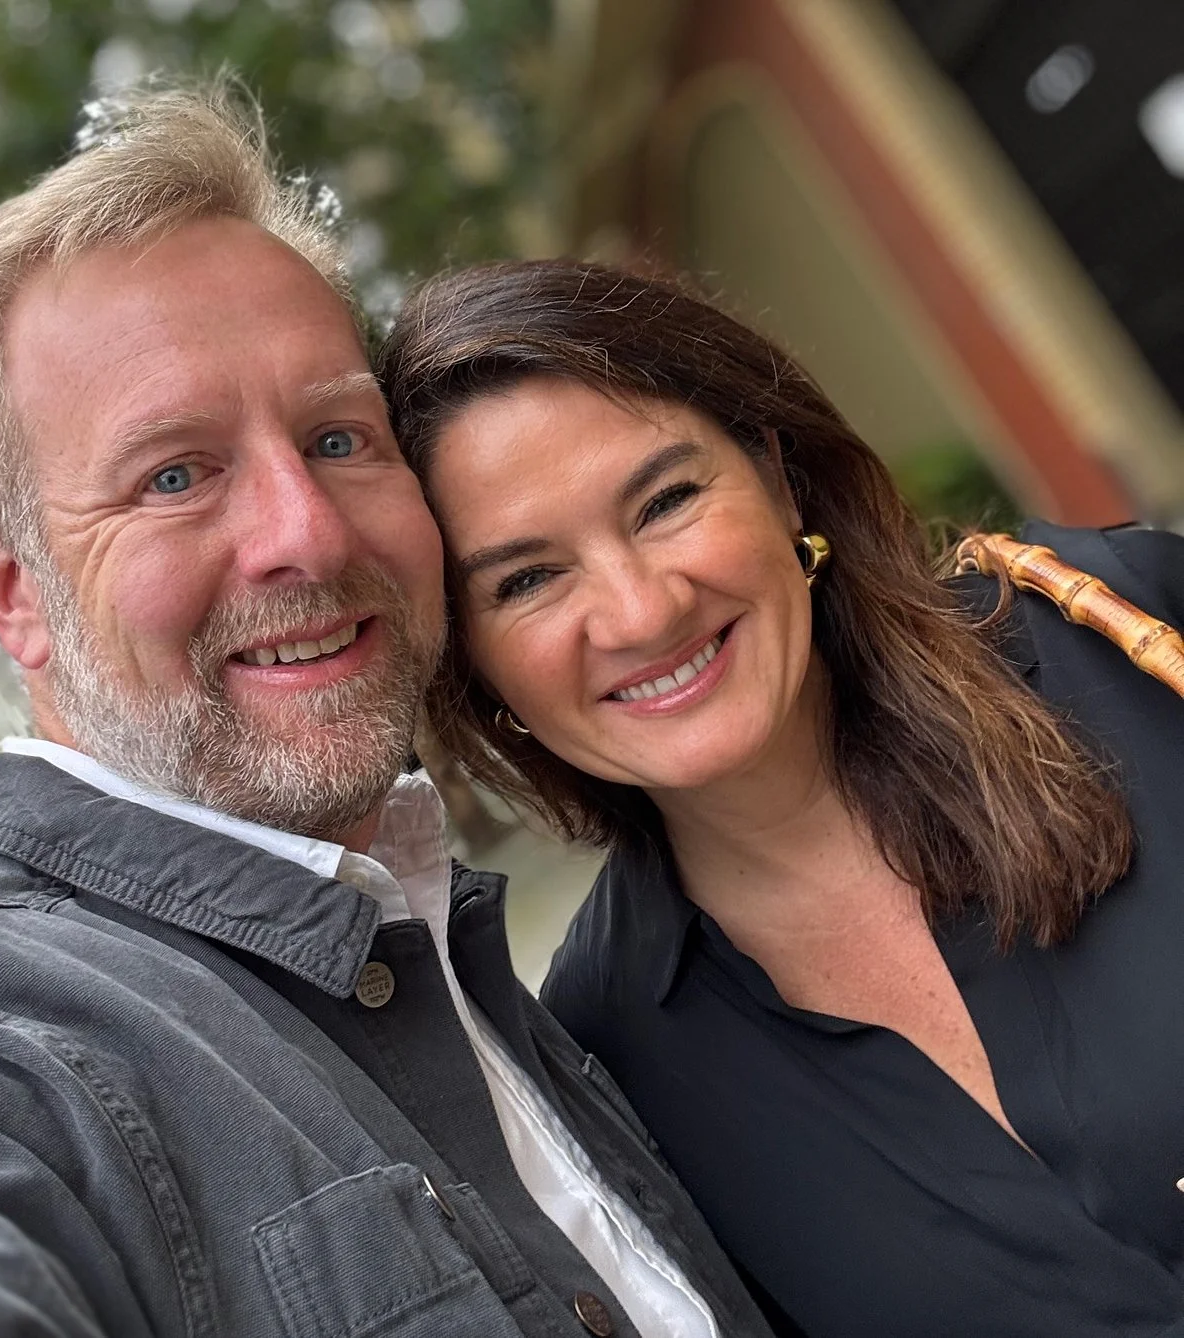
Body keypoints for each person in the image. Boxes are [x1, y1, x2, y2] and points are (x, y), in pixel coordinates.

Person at [0, 90, 776, 1338]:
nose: (308, 533)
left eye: (339, 438)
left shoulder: (535, 989)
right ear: (13, 590)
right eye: (174, 476)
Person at [375, 256, 1184, 1337]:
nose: (640, 611)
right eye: (528, 579)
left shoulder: (1133, 639)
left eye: (665, 501)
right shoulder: (607, 1064)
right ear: (475, 666)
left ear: (777, 473)